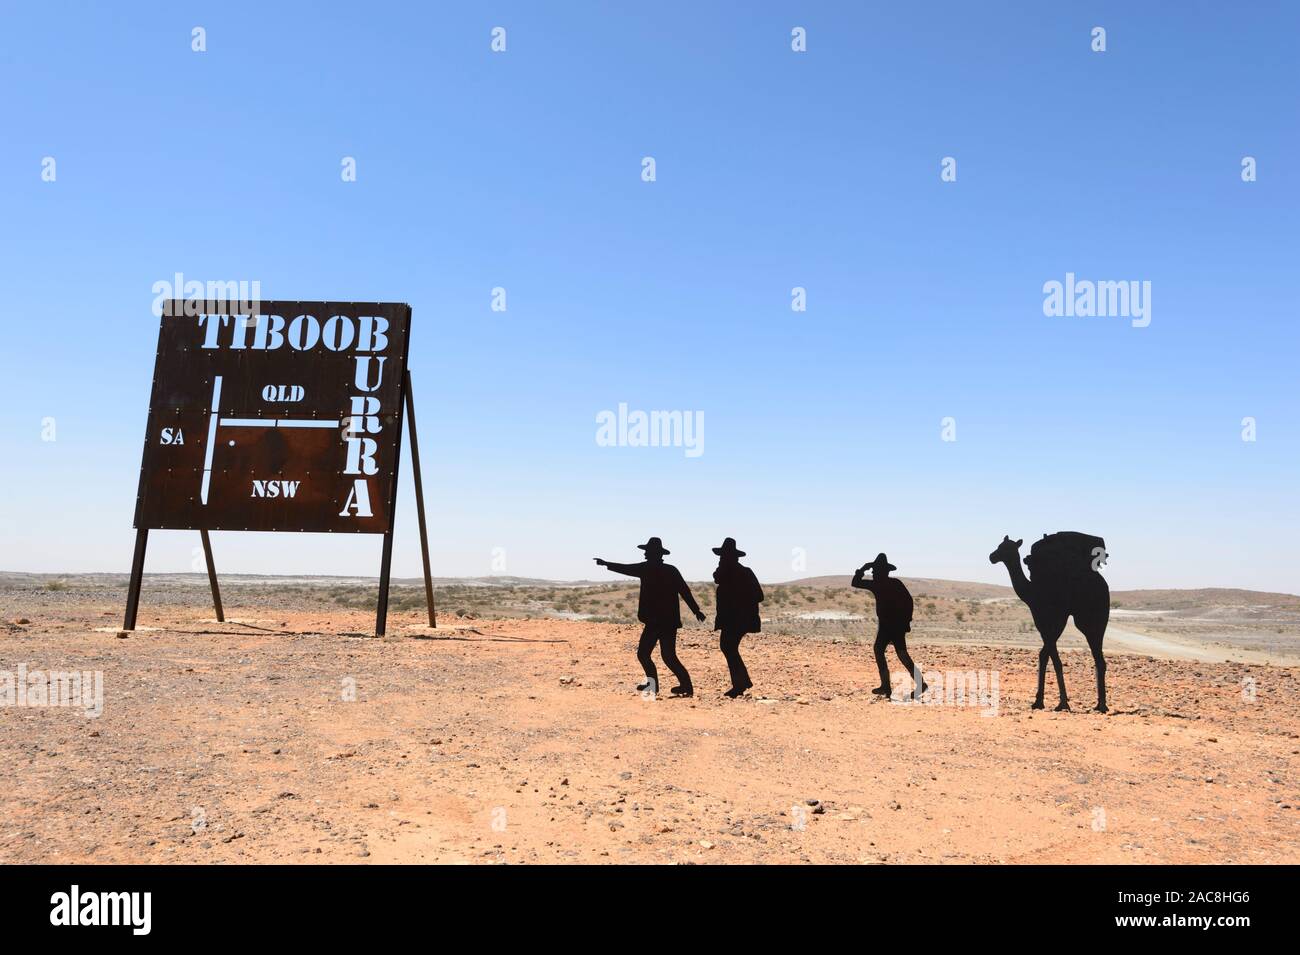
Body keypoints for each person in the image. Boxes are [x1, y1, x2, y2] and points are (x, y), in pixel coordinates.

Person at [594, 537, 706, 697]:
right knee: (668, 656)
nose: (645, 554)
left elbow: (626, 568)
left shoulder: (645, 568)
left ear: (653, 553)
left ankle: (658, 686)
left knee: (645, 654)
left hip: (655, 622)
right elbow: (685, 591)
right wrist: (696, 611)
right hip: (668, 622)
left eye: (647, 551)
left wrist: (607, 564)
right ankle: (683, 686)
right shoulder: (670, 570)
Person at [851, 553, 928, 700]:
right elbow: (909, 601)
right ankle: (895, 686)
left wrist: (864, 568)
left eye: (874, 570)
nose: (872, 573)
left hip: (891, 626)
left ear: (882, 571)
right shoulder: (893, 583)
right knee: (898, 653)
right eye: (872, 571)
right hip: (892, 625)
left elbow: (855, 582)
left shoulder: (879, 584)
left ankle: (887, 686)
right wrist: (906, 622)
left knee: (889, 652)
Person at [710, 537, 763, 698]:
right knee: (729, 648)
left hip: (737, 619)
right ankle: (741, 682)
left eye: (723, 556)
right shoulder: (730, 573)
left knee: (728, 647)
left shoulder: (741, 572)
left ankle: (740, 684)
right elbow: (716, 577)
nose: (720, 559)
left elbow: (759, 595)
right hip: (735, 619)